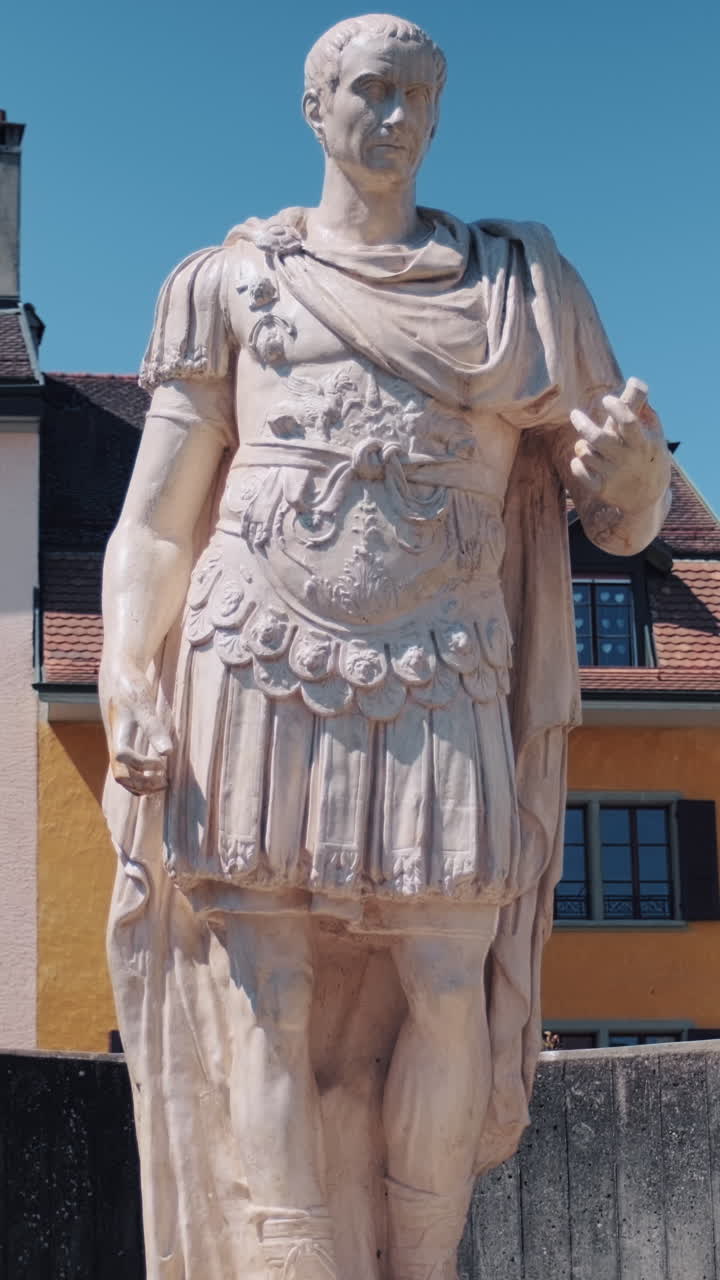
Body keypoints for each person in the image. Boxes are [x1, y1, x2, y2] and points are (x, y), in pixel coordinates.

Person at [100, 15, 671, 1280]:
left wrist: (637, 477)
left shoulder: (520, 289)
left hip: (445, 660)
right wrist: (128, 671)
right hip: (256, 653)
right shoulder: (230, 282)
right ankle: (292, 1261)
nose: (400, 116)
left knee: (446, 968)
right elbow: (152, 521)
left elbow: (624, 514)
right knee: (270, 988)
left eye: (422, 94)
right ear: (316, 107)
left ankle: (419, 1261)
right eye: (372, 90)